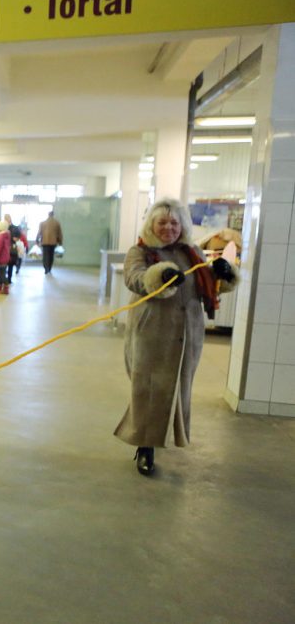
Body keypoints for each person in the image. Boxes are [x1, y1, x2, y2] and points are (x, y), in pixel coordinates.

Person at [115, 198, 238, 476]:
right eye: (162, 222)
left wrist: (222, 274)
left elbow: (208, 285)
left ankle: (166, 436)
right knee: (147, 389)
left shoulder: (192, 251)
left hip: (187, 333)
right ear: (151, 225)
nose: (169, 228)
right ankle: (145, 447)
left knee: (178, 388)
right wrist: (160, 276)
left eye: (174, 222)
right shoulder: (141, 251)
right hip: (151, 333)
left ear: (182, 225)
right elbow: (134, 278)